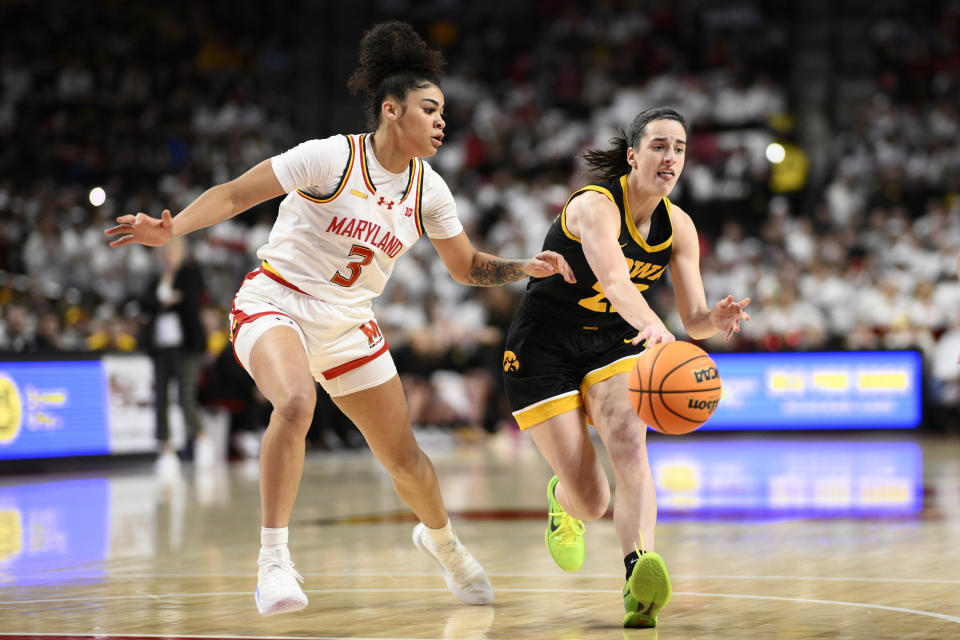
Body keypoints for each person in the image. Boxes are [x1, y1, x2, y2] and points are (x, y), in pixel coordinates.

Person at [105, 21, 573, 617]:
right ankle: (273, 560)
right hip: (276, 299)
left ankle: (443, 543)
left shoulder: (430, 190)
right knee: (296, 403)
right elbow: (235, 195)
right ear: (391, 109)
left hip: (349, 323)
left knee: (405, 460)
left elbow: (466, 266)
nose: (440, 122)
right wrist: (170, 230)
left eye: (442, 112)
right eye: (429, 109)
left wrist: (522, 267)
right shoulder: (331, 157)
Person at [501, 107, 750, 628]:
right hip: (543, 343)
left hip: (614, 340)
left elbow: (694, 319)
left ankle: (640, 575)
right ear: (633, 156)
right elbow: (615, 282)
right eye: (659, 146)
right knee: (592, 501)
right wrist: (655, 327)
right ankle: (563, 499)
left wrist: (713, 317)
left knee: (630, 442)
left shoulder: (679, 226)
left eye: (679, 148)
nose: (671, 157)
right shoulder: (596, 205)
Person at [139, 237, 211, 473]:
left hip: (187, 346)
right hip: (161, 346)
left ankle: (201, 437)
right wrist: (167, 300)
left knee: (184, 396)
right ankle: (165, 447)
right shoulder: (156, 278)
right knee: (160, 397)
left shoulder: (190, 274)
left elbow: (190, 303)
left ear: (181, 253)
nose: (168, 255)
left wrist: (167, 301)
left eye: (172, 251)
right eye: (165, 251)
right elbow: (145, 302)